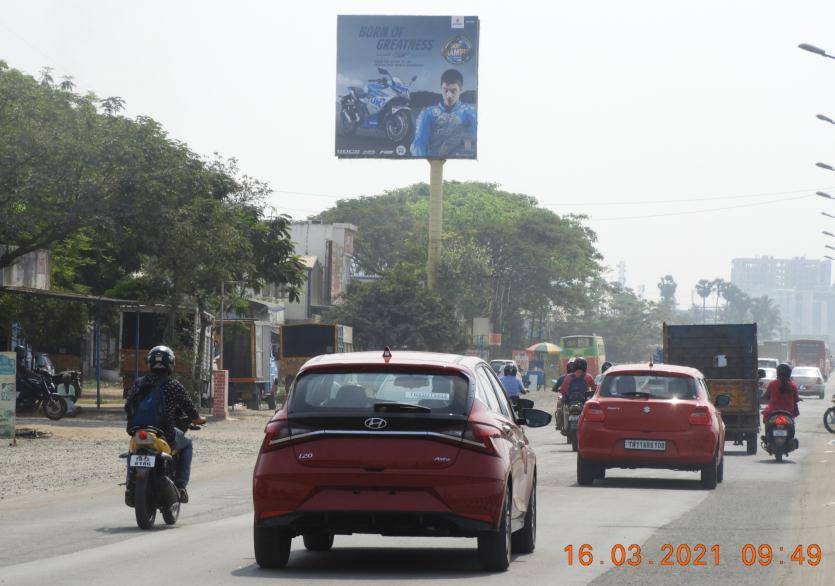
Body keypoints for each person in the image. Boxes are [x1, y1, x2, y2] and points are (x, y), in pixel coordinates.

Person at [124, 346, 206, 502]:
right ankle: (181, 486)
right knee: (187, 443)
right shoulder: (173, 385)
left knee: (132, 450)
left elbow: (128, 406)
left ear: (149, 363)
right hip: (164, 433)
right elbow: (191, 411)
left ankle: (130, 485)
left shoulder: (139, 383)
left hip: (138, 430)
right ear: (171, 364)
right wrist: (199, 419)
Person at [410, 68, 477, 157]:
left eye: (453, 91)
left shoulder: (470, 113)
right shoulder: (428, 114)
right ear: (441, 88)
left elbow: (478, 142)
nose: (449, 95)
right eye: (446, 90)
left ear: (461, 89)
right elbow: (419, 144)